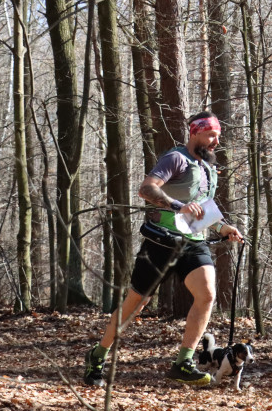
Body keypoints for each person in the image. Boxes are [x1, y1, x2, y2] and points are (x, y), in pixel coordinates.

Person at [83, 111, 244, 387]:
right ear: (195, 133)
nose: (215, 141)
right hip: (160, 242)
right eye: (210, 135)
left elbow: (202, 210)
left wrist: (222, 228)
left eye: (217, 136)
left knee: (207, 295)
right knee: (136, 305)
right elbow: (146, 189)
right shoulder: (176, 158)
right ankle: (98, 355)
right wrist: (177, 205)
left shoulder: (207, 167)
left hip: (193, 242)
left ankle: (183, 362)